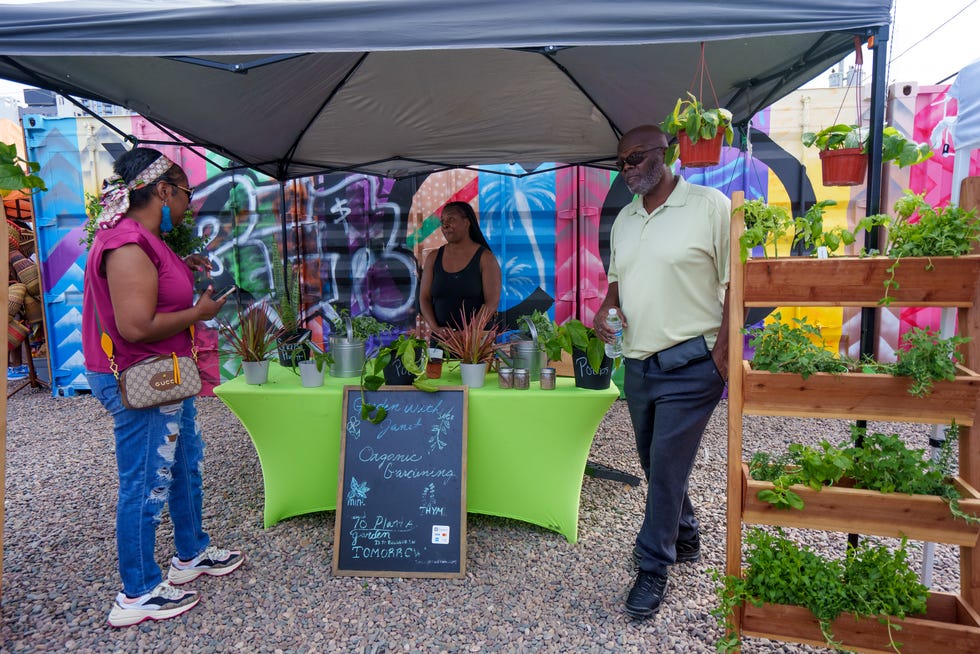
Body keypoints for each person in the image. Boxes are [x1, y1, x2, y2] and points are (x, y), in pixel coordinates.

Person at [81, 147, 244, 628]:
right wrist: (199, 313)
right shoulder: (128, 243)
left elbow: (152, 287)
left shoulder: (145, 239)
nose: (188, 205)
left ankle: (190, 553)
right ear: (163, 190)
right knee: (146, 482)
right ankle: (138, 592)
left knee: (184, 464)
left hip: (167, 374)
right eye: (186, 194)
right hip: (142, 377)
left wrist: (182, 266)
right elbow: (134, 325)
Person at [595, 125, 730, 620]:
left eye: (634, 157)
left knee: (668, 463)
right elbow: (616, 283)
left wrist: (721, 354)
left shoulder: (710, 206)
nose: (627, 168)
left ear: (666, 152)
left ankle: (654, 564)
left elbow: (736, 282)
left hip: (693, 364)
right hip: (638, 362)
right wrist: (603, 311)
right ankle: (687, 534)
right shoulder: (625, 221)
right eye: (620, 162)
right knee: (654, 461)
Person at [419, 201, 502, 330]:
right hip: (442, 341)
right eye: (442, 221)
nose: (445, 225)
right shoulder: (433, 258)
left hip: (475, 343)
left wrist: (468, 334)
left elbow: (491, 303)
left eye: (451, 219)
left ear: (467, 222)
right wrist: (436, 329)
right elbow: (424, 299)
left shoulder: (485, 258)